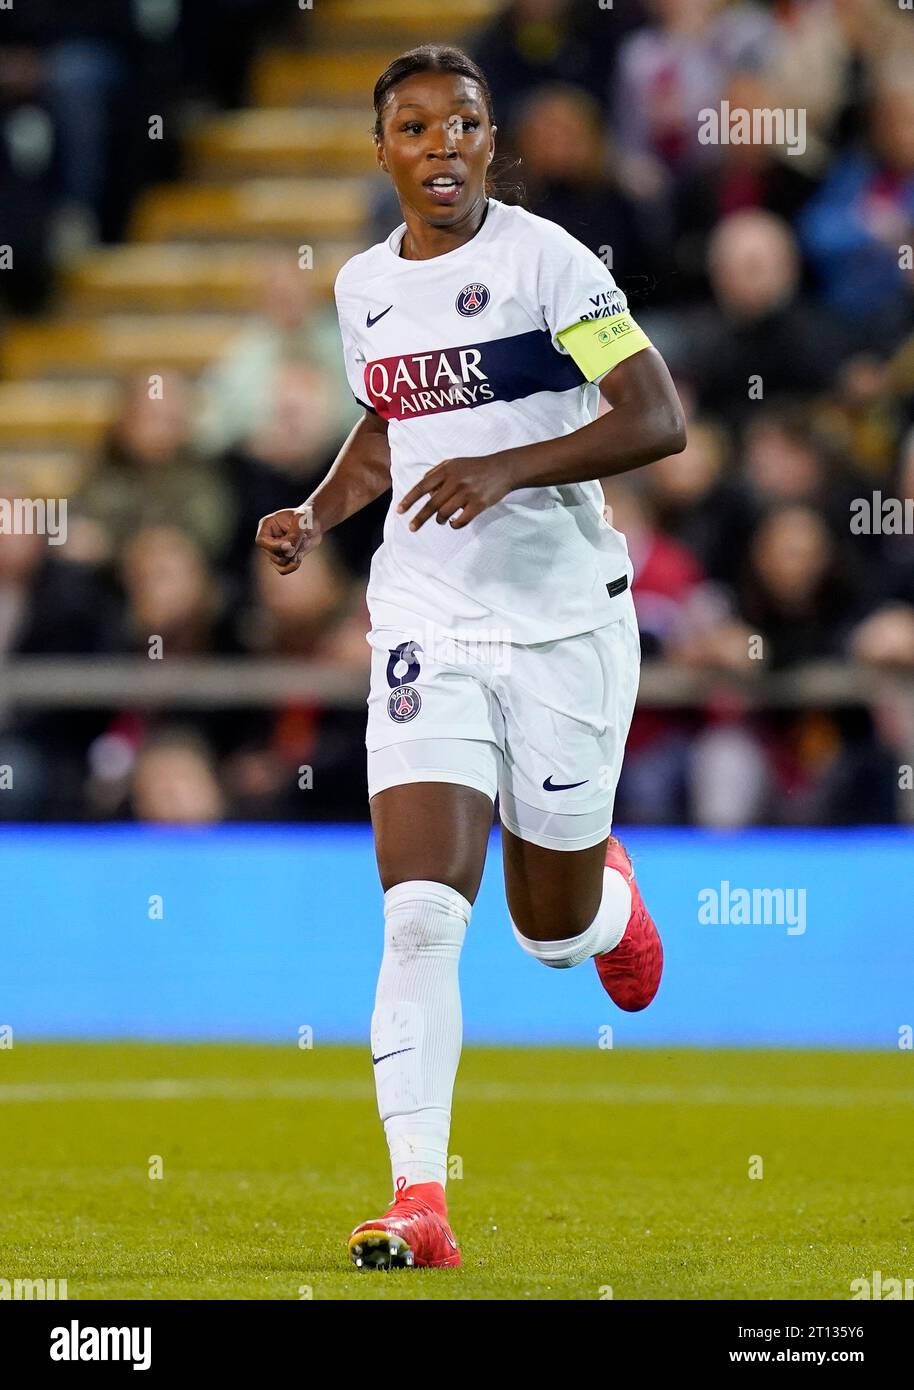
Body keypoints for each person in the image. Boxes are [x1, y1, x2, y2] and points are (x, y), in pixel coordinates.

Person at [254, 45, 686, 1272]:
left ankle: (604, 909)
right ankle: (418, 1201)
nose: (440, 143)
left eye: (464, 123)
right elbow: (391, 419)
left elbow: (657, 417)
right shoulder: (360, 288)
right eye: (414, 126)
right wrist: (318, 513)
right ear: (380, 147)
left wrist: (502, 468)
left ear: (491, 143)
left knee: (540, 932)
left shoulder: (549, 261)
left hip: (562, 622)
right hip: (426, 620)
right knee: (419, 921)